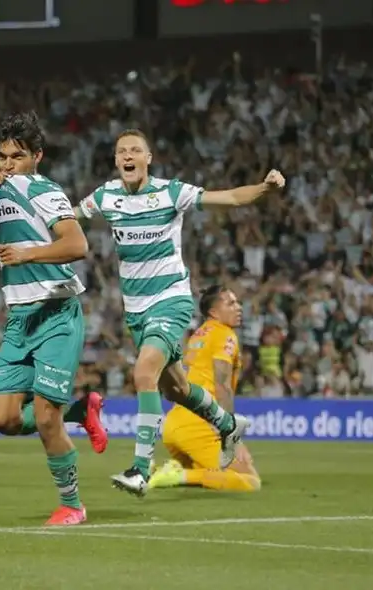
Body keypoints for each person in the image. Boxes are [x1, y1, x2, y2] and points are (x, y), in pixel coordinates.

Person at [74, 129, 283, 496]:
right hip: (136, 311)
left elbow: (231, 198)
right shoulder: (106, 196)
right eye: (122, 150)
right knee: (178, 390)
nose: (128, 155)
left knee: (144, 372)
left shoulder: (171, 192)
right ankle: (227, 424)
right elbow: (69, 217)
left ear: (148, 158)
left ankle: (140, 470)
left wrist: (265, 188)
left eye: (136, 150)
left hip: (170, 301)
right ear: (116, 159)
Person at [0, 111, 104, 526]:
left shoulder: (45, 191)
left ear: (37, 156)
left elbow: (77, 245)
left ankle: (73, 505)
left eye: (18, 156)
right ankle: (79, 412)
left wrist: (28, 253)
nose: (8, 164)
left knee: (44, 417)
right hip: (20, 319)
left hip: (57, 314)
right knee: (2, 418)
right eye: (3, 156)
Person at [148, 286, 261, 493]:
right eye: (231, 303)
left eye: (237, 302)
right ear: (214, 312)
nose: (239, 308)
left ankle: (160, 471)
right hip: (200, 424)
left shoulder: (198, 334)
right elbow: (222, 385)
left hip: (175, 424)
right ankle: (179, 474)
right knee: (249, 480)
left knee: (209, 474)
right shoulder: (225, 335)